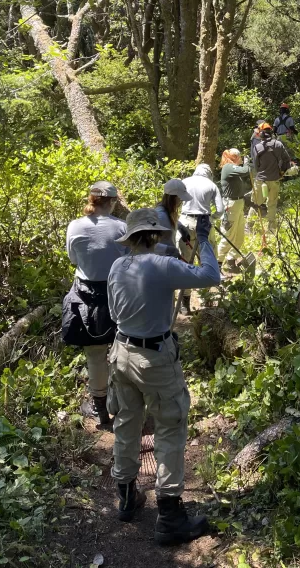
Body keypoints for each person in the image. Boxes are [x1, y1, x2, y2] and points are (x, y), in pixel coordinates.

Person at [107, 207, 220, 543]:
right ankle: (170, 516)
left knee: (127, 421)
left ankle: (127, 497)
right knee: (170, 425)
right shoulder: (163, 265)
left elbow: (114, 311)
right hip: (154, 357)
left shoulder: (117, 266)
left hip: (121, 351)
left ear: (130, 238)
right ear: (155, 235)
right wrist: (203, 240)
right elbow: (211, 276)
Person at [64, 181, 126, 428]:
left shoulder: (75, 226)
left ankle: (100, 407)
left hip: (86, 293)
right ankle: (120, 400)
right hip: (117, 292)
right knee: (121, 347)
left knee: (95, 353)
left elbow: (73, 259)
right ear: (111, 202)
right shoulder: (121, 227)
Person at [178, 164, 224, 313]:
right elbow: (220, 210)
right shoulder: (211, 185)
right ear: (209, 174)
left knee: (185, 262)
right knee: (208, 259)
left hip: (185, 222)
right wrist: (213, 218)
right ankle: (206, 298)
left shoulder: (185, 182)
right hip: (204, 224)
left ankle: (184, 303)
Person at [247, 123, 291, 234]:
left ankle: (248, 227)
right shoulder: (278, 144)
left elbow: (256, 165)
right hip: (275, 179)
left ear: (261, 133)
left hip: (261, 179)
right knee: (272, 204)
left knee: (256, 203)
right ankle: (271, 229)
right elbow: (287, 160)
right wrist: (281, 172)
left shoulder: (257, 147)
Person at [217, 149, 251, 271]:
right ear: (235, 157)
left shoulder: (233, 168)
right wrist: (247, 162)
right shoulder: (228, 167)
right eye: (240, 157)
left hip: (238, 203)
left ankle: (231, 261)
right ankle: (218, 263)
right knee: (228, 235)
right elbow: (246, 171)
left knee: (239, 235)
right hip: (230, 205)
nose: (241, 159)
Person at [155, 178, 191, 259]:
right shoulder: (160, 216)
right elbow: (147, 244)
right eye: (180, 199)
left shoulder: (166, 212)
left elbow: (168, 219)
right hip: (160, 262)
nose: (181, 202)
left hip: (168, 261)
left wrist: (180, 227)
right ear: (174, 198)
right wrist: (167, 250)